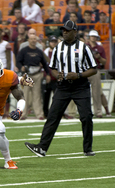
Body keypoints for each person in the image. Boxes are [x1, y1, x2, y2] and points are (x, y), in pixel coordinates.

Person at [25, 20, 97, 157]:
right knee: (53, 116)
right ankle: (42, 148)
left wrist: (79, 75)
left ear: (75, 32)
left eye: (68, 30)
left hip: (80, 86)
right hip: (63, 86)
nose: (64, 32)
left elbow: (94, 69)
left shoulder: (83, 47)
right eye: (63, 30)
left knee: (86, 116)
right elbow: (52, 68)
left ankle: (88, 148)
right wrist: (57, 75)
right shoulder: (58, 48)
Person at [17, 35, 50, 120]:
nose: (33, 40)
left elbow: (45, 63)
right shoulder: (24, 50)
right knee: (25, 96)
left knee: (37, 96)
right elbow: (18, 61)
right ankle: (23, 114)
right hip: (26, 75)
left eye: (34, 39)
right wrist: (21, 67)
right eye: (31, 39)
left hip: (37, 74)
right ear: (28, 40)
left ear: (37, 40)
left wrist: (48, 74)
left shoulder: (39, 51)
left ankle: (39, 114)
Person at [87, 30, 111, 117]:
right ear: (89, 37)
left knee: (96, 92)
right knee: (81, 91)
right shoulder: (85, 46)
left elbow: (104, 62)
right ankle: (84, 112)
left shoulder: (100, 48)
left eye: (95, 36)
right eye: (92, 36)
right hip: (84, 69)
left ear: (97, 38)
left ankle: (98, 112)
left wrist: (99, 57)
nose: (93, 38)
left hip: (95, 70)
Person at [43, 36, 58, 118]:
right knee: (46, 96)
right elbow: (44, 65)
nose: (53, 43)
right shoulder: (45, 52)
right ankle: (46, 113)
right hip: (48, 77)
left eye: (55, 42)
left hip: (56, 77)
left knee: (56, 97)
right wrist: (46, 75)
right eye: (52, 41)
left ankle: (55, 112)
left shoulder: (58, 51)